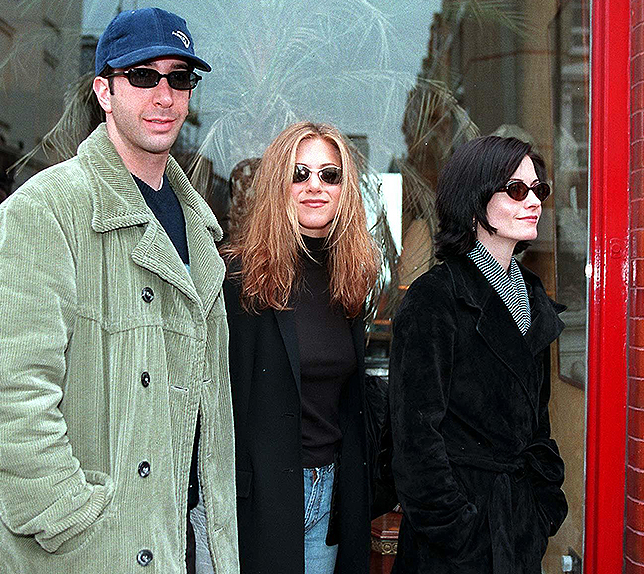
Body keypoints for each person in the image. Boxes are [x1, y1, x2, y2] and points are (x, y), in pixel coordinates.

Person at [0, 7, 239, 573]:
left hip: (174, 542)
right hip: (80, 551)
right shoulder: (47, 210)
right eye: (142, 76)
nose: (164, 95)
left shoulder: (200, 228)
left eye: (180, 78)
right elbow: (1, 391)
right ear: (103, 91)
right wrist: (68, 515)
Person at [388, 136, 568, 573]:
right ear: (474, 203)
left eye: (537, 189)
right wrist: (459, 531)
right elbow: (414, 442)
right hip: (454, 545)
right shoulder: (435, 298)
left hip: (517, 526)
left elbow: (537, 422)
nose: (533, 202)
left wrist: (542, 505)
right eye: (516, 190)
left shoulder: (534, 297)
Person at [220, 122, 380, 574]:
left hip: (329, 496)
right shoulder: (239, 277)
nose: (315, 186)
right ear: (278, 184)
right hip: (260, 499)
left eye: (330, 175)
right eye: (300, 174)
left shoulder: (349, 277)